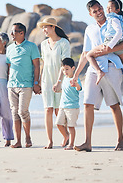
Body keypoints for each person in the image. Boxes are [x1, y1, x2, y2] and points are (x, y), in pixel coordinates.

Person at [71, 0, 123, 152]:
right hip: (93, 69)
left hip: (112, 66)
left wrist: (108, 50)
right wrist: (75, 75)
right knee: (87, 103)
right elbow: (85, 54)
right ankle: (87, 142)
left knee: (113, 105)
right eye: (95, 11)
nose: (99, 12)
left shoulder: (114, 21)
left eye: (100, 9)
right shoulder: (89, 29)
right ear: (90, 14)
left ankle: (120, 139)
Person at [86, 0, 123, 90]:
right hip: (117, 45)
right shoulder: (118, 20)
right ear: (91, 14)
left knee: (89, 55)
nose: (106, 10)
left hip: (111, 43)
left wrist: (109, 48)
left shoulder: (112, 20)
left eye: (100, 8)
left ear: (117, 10)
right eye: (107, 8)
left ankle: (99, 72)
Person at [37, 17, 71, 149]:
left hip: (60, 79)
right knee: (48, 110)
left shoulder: (64, 43)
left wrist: (59, 82)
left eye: (46, 27)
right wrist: (39, 81)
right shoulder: (44, 44)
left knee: (59, 110)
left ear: (53, 27)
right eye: (43, 27)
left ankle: (66, 135)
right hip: (46, 79)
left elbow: (65, 64)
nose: (44, 30)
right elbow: (43, 63)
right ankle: (50, 141)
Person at [6, 22, 41, 148]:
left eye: (14, 31)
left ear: (22, 33)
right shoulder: (9, 48)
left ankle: (27, 137)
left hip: (26, 85)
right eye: (12, 31)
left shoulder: (31, 46)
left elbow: (37, 66)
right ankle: (18, 141)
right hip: (11, 85)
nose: (11, 34)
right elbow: (9, 67)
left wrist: (36, 83)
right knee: (14, 113)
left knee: (23, 112)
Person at [55, 58, 82, 150]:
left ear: (73, 68)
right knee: (58, 124)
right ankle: (66, 136)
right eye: (63, 69)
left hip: (72, 107)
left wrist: (76, 85)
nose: (65, 71)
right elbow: (64, 91)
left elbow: (79, 88)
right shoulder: (65, 79)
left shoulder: (75, 79)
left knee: (71, 126)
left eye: (67, 69)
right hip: (62, 106)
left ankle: (71, 144)